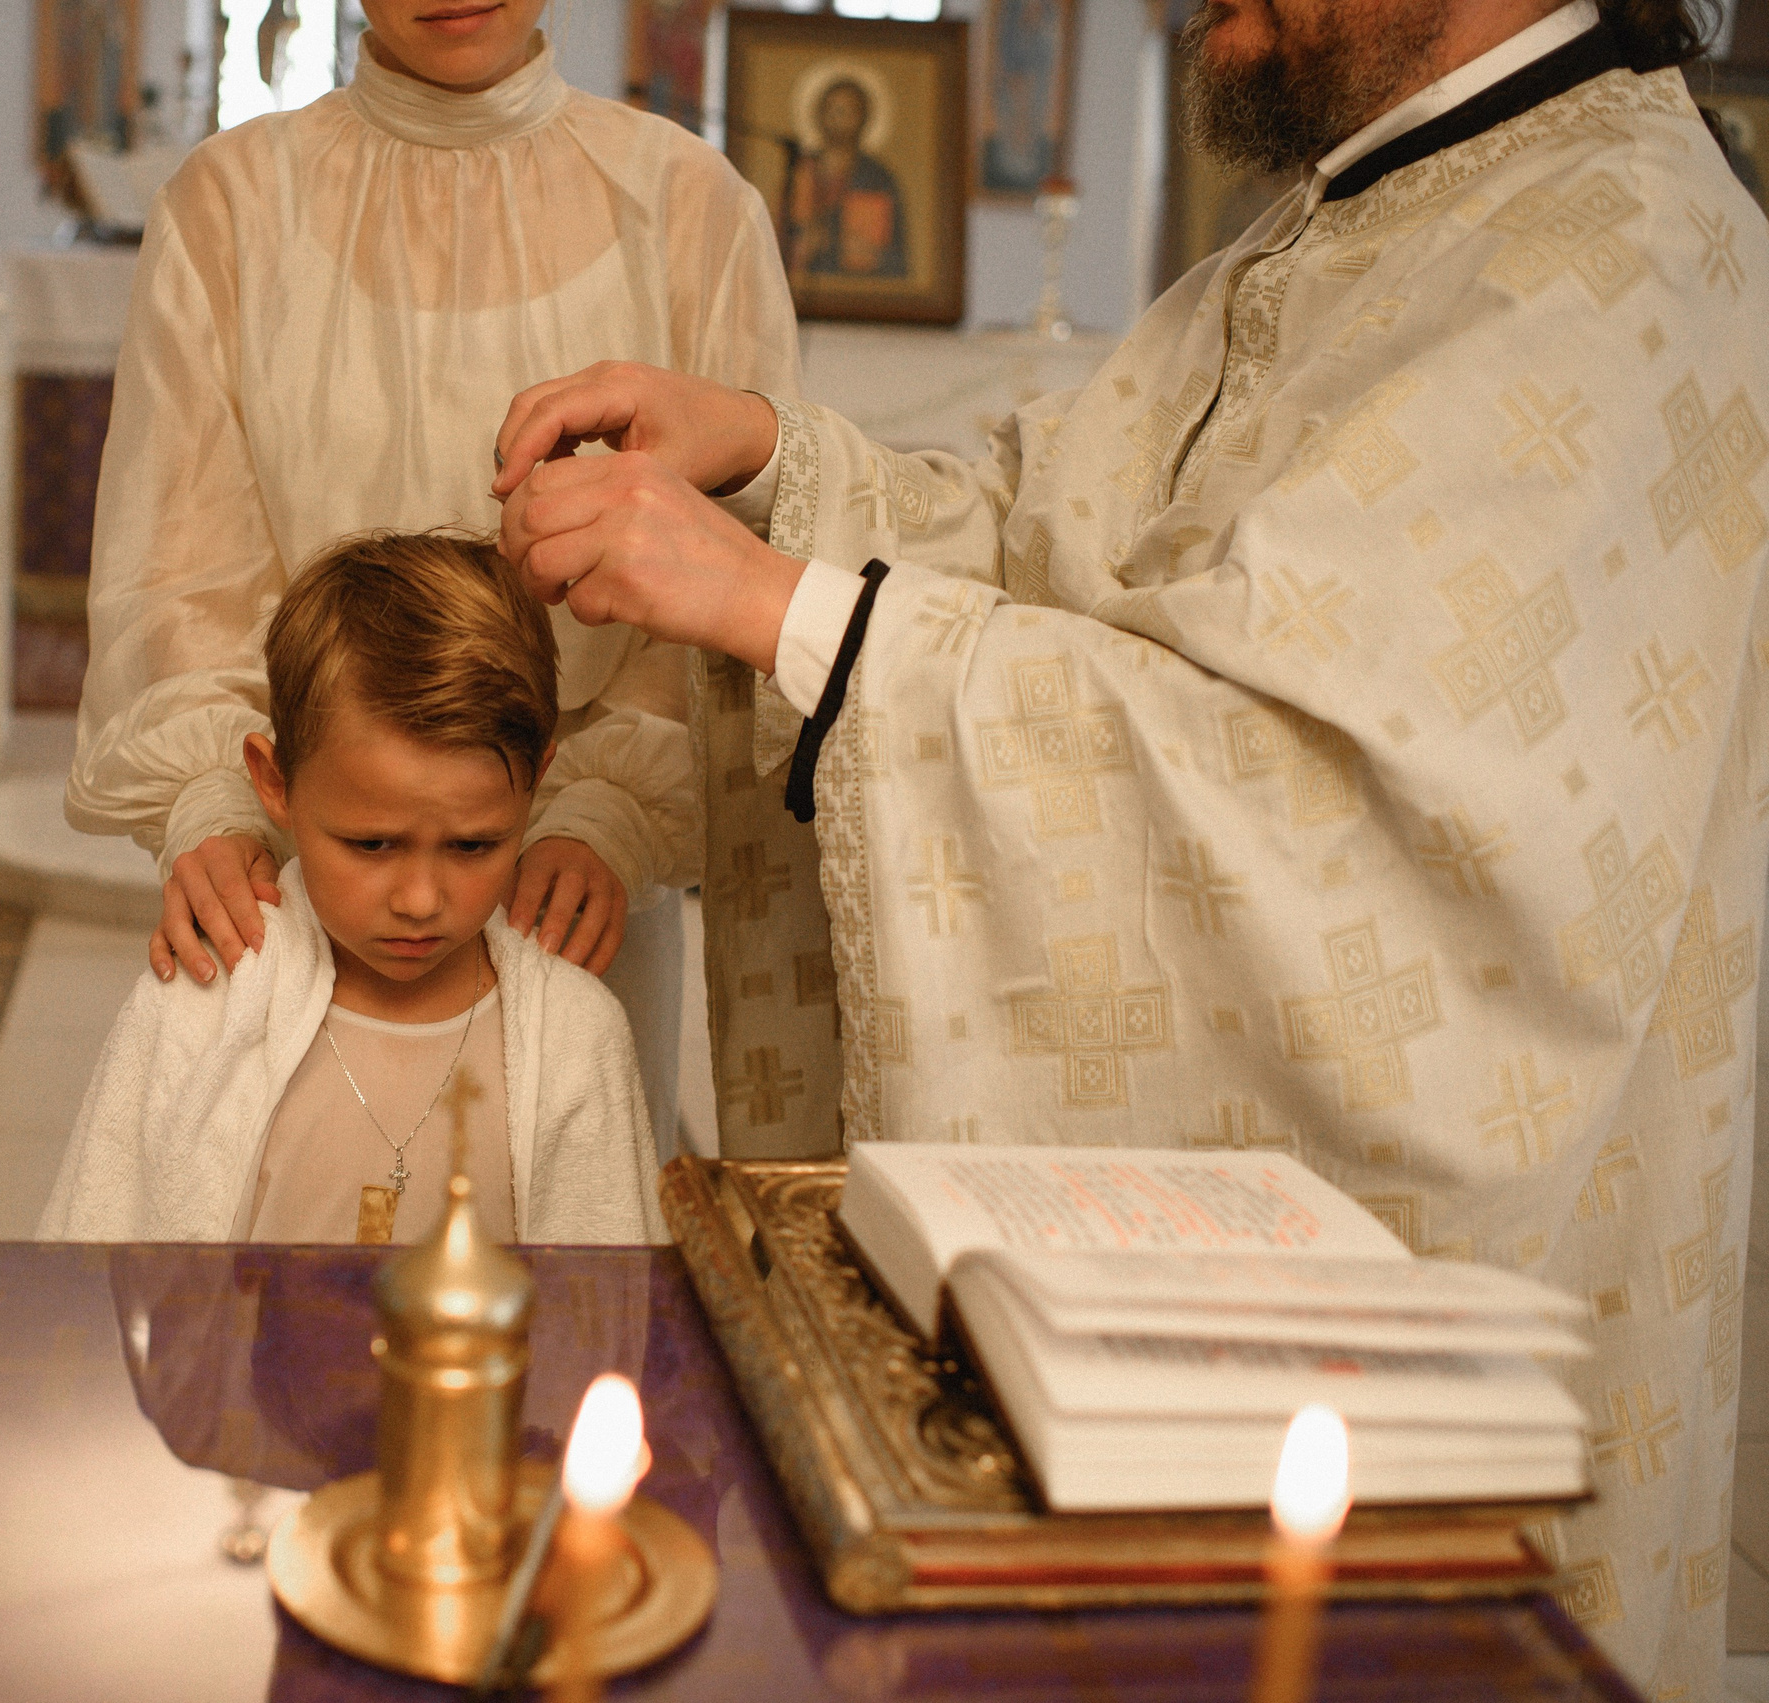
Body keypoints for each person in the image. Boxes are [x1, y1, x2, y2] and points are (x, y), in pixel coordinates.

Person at [491, 0, 1766, 1693]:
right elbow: (1061, 534)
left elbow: (1332, 834)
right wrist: (776, 461)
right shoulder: (1377, 200)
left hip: (1392, 1380)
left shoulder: (1625, 263)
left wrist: (775, 608)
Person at [63, 0, 801, 1166]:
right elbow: (177, 562)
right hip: (309, 858)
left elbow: (725, 569)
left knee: (560, 1241)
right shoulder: (233, 202)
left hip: (568, 874)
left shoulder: (689, 206)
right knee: (289, 1245)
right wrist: (211, 798)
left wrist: (609, 814)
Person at [40, 533, 664, 1246]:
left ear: (536, 784)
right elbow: (92, 1266)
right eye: (371, 844)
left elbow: (605, 1309)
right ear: (274, 782)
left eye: (473, 845)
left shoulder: (574, 1039)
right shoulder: (204, 1008)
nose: (421, 899)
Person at [781, 78, 907, 279]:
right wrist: (798, 246)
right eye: (831, 109)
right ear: (818, 115)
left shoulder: (877, 178)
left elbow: (897, 258)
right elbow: (774, 235)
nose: (837, 118)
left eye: (847, 111)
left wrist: (865, 252)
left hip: (860, 293)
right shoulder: (800, 171)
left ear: (863, 117)